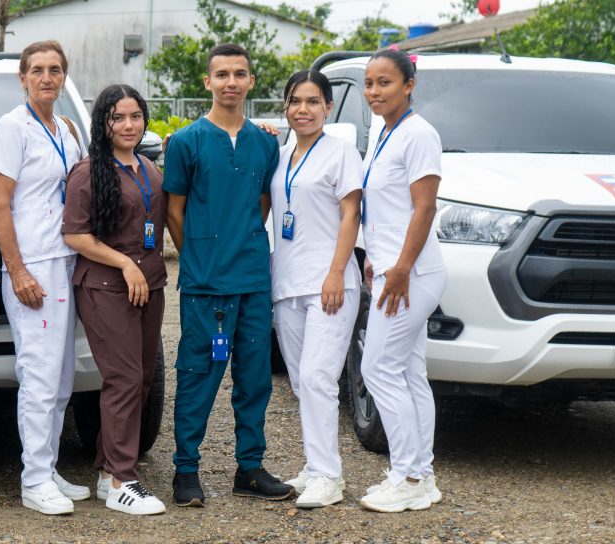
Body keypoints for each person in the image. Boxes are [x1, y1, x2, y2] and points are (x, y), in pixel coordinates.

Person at [163, 43, 294, 507]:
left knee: (255, 378)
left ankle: (250, 468)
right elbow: (173, 211)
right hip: (206, 284)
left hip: (253, 278)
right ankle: (186, 470)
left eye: (239, 74)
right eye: (222, 74)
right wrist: (201, 255)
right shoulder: (186, 141)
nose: (231, 82)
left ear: (251, 81)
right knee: (198, 375)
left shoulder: (265, 142)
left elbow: (262, 203)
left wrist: (239, 244)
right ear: (208, 82)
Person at [0, 40, 91, 515]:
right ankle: (34, 480)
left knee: (63, 377)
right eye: (38, 70)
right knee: (40, 376)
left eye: (55, 70)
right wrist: (16, 270)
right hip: (34, 265)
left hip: (67, 258)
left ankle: (49, 468)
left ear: (64, 77)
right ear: (23, 77)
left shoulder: (66, 128)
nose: (47, 78)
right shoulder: (13, 128)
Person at [62, 85, 168, 516]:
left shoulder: (148, 167)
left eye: (135, 116)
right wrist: (124, 264)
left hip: (150, 285)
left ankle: (109, 471)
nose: (128, 125)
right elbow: (75, 235)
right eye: (117, 117)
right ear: (103, 123)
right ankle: (125, 480)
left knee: (141, 380)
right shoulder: (88, 172)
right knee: (123, 378)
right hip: (106, 287)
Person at [357, 48, 447, 513]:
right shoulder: (383, 132)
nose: (374, 91)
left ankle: (408, 475)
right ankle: (421, 475)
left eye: (385, 82)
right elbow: (386, 209)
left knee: (378, 369)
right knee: (409, 373)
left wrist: (401, 268)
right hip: (394, 269)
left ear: (409, 86)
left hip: (410, 275)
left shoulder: (419, 134)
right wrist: (375, 257)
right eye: (369, 83)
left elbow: (424, 208)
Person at [269, 70, 362, 509]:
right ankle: (314, 464)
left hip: (330, 283)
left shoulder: (341, 151)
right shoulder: (280, 155)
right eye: (294, 101)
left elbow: (351, 214)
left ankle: (329, 476)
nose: (302, 110)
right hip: (287, 282)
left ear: (328, 106)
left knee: (318, 376)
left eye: (312, 101)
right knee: (301, 382)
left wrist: (337, 272)